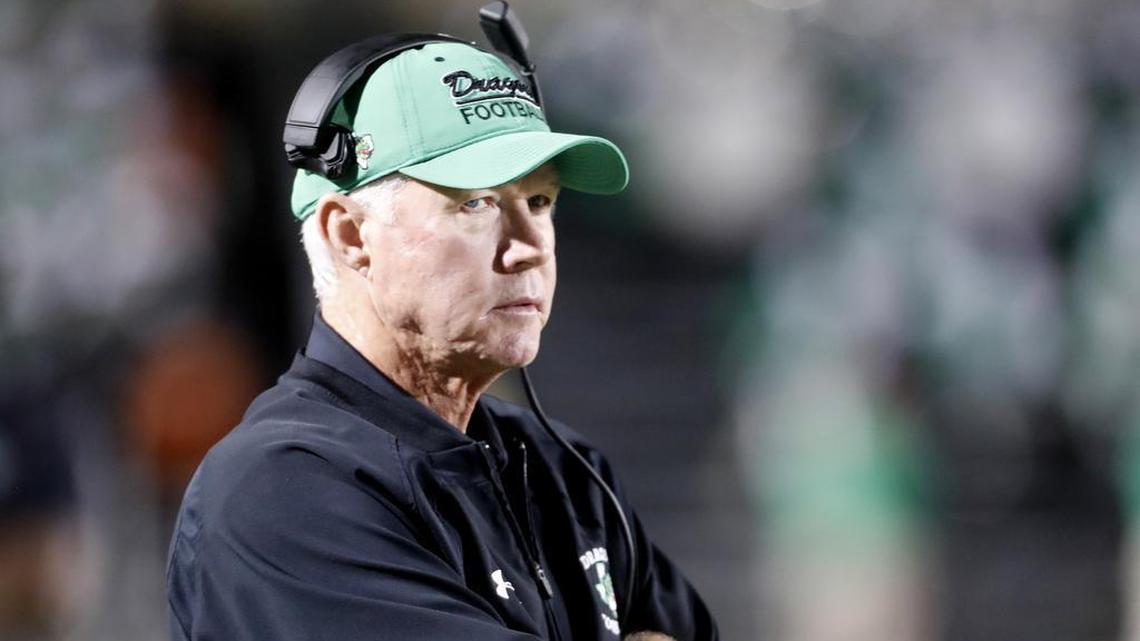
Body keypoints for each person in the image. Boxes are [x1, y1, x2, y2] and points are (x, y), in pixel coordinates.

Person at [165, 37, 718, 641]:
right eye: (477, 203)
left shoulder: (567, 471)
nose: (530, 243)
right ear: (351, 235)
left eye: (539, 200)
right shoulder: (281, 491)